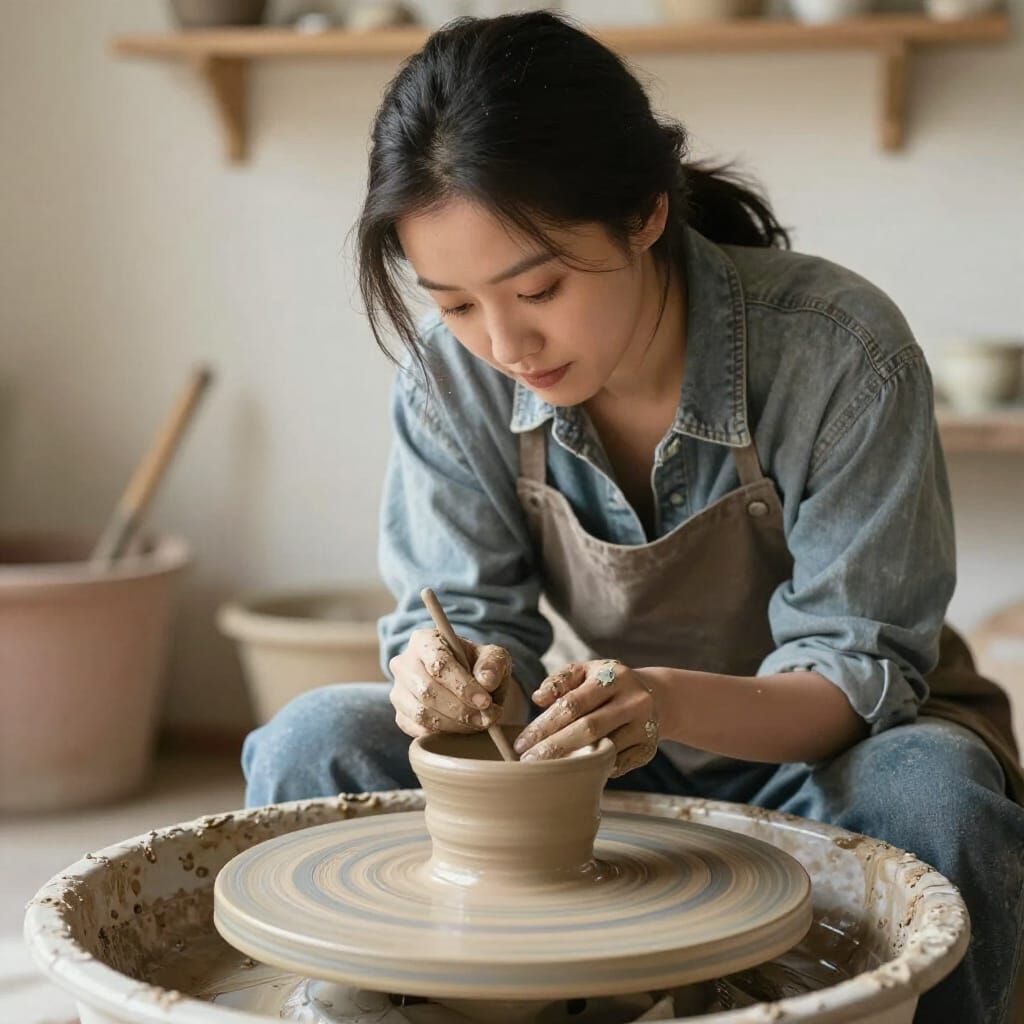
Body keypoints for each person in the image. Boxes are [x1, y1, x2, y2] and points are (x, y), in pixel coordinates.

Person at [241, 12, 1023, 1022]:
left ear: (646, 213)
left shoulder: (841, 353)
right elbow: (472, 629)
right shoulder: (452, 379)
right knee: (315, 738)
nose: (505, 342)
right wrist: (444, 676)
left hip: (836, 754)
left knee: (934, 790)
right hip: (614, 750)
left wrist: (655, 697)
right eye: (456, 303)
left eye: (539, 288)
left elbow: (852, 672)